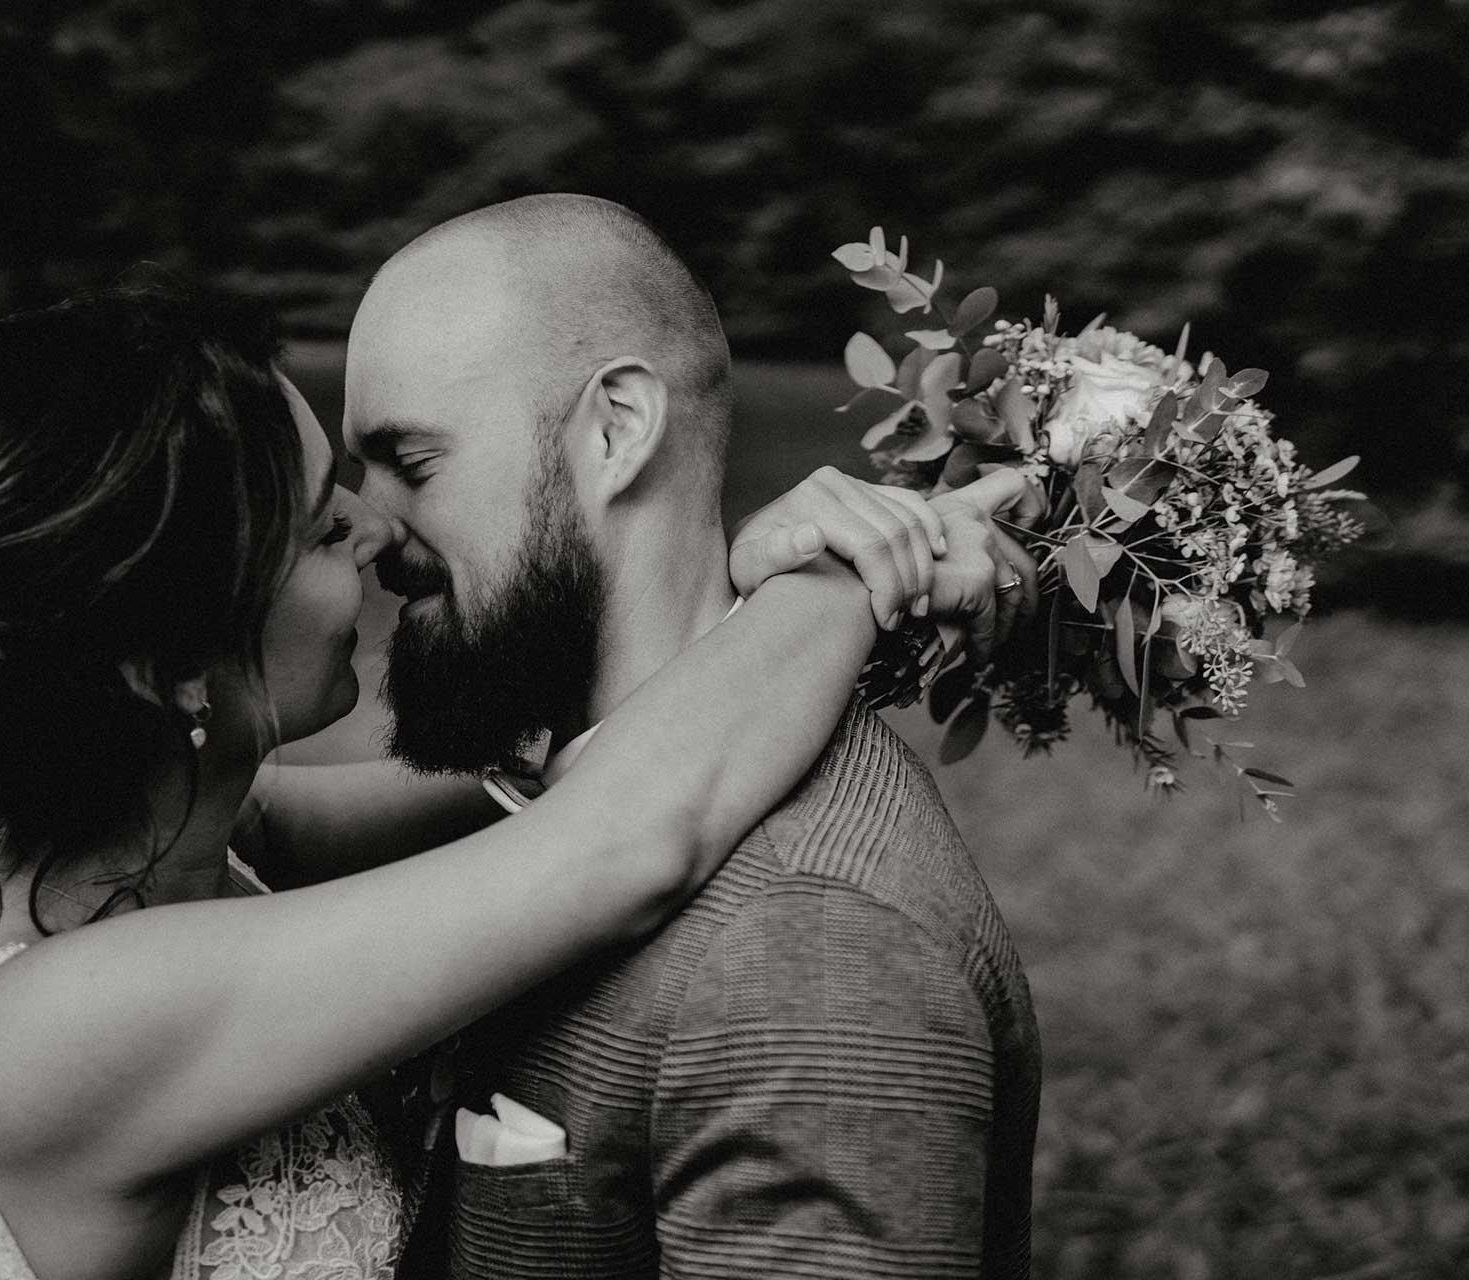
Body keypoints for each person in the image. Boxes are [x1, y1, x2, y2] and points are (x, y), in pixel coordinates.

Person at [0, 284, 1015, 1280]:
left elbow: (561, 770)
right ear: (168, 666)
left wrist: (740, 595)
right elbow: (613, 842)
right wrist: (854, 576)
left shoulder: (186, 851)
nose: (377, 537)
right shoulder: (66, 1024)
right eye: (325, 531)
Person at [320, 194, 1042, 1279]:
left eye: (412, 464)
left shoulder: (812, 950)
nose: (370, 529)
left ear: (616, 430)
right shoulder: (544, 793)